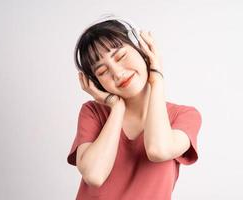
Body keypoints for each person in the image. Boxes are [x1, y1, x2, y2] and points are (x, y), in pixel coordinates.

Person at [67, 14, 202, 200]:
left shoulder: (184, 115)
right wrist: (117, 108)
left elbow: (158, 150)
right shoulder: (93, 112)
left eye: (121, 56)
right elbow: (94, 175)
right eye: (102, 71)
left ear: (143, 50)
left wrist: (157, 79)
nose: (117, 73)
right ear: (97, 83)